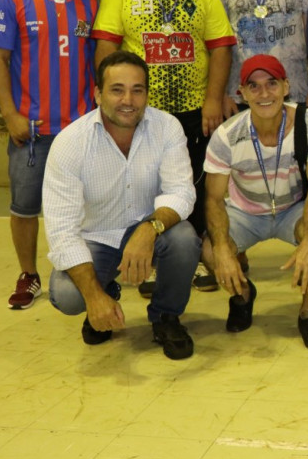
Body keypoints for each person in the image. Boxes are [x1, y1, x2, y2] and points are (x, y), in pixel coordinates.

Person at [92, 0, 236, 298]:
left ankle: (201, 253)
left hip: (193, 110)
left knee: (198, 186)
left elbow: (221, 47)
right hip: (140, 114)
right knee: (145, 187)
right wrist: (113, 102)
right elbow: (106, 48)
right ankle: (152, 259)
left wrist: (212, 98)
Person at [43, 51, 201, 360]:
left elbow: (182, 193)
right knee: (67, 295)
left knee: (184, 238)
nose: (128, 99)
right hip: (97, 239)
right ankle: (103, 298)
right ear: (98, 94)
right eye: (117, 89)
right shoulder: (70, 143)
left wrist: (149, 228)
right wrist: (93, 296)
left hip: (152, 232)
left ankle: (165, 317)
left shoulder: (167, 128)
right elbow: (62, 230)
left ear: (146, 94)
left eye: (137, 90)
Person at [0, 0, 97, 310]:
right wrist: (9, 114)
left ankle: (87, 271)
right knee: (25, 207)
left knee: (88, 207)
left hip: (83, 131)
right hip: (32, 131)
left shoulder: (90, 6)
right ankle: (29, 274)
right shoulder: (13, 1)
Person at [203, 55, 308, 348]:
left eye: (272, 84)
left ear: (286, 86)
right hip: (246, 211)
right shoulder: (227, 135)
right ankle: (243, 295)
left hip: (292, 208)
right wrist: (223, 249)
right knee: (210, 250)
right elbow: (213, 199)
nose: (264, 94)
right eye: (254, 87)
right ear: (243, 93)